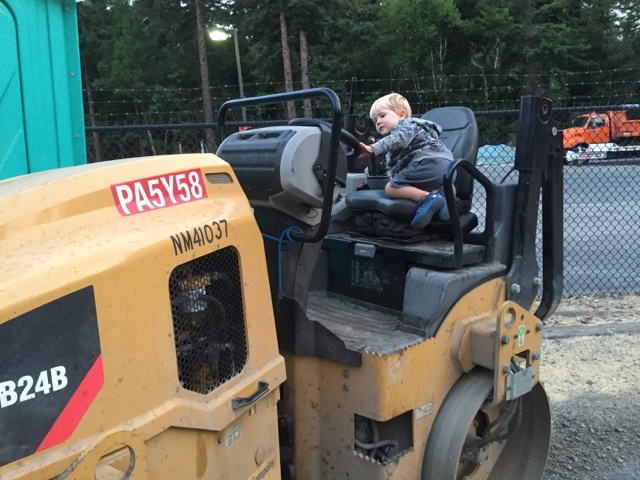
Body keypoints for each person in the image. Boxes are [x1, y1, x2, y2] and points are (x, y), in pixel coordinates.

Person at [359, 93, 454, 229]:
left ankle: (428, 198)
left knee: (392, 188)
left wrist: (372, 148)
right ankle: (443, 193)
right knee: (407, 184)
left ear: (401, 115)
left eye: (382, 115)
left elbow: (398, 139)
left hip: (427, 163)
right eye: (375, 120)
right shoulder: (417, 130)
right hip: (448, 169)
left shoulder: (404, 125)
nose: (378, 122)